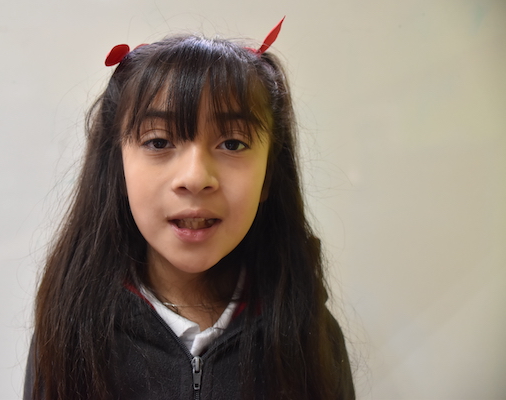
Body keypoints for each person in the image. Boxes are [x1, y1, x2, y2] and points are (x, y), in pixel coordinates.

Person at [24, 18, 355, 400]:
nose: (195, 178)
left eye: (233, 144)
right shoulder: (70, 334)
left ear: (268, 176)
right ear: (118, 169)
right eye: (158, 141)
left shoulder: (309, 335)